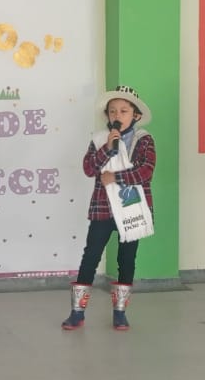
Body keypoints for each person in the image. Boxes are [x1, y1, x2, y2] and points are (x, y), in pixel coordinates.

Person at [61, 85, 156, 331]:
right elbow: (89, 168)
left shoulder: (143, 140)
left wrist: (116, 177)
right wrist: (107, 148)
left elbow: (146, 171)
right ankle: (77, 312)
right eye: (112, 111)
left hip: (132, 209)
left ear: (135, 115)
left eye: (124, 111)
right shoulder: (100, 139)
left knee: (127, 259)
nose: (117, 115)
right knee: (90, 256)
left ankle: (120, 313)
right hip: (103, 208)